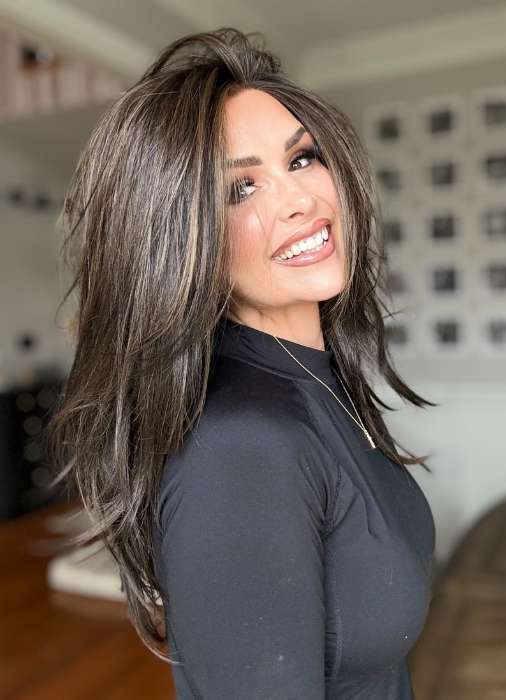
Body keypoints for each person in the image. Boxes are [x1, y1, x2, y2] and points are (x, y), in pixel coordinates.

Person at [46, 27, 437, 699]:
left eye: (302, 158)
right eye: (241, 189)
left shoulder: (318, 381)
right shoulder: (243, 446)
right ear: (182, 237)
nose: (299, 200)